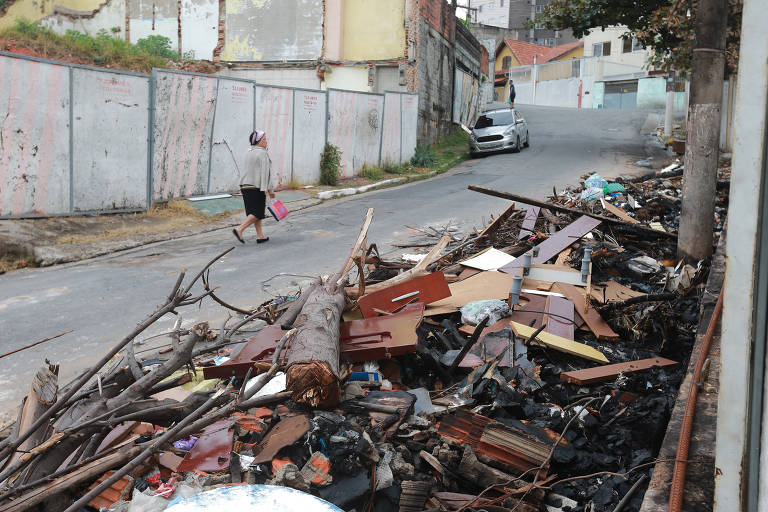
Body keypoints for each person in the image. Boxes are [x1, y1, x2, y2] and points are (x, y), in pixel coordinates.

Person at [233, 130, 276, 244]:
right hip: (255, 186)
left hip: (245, 186)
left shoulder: (248, 151)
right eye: (264, 140)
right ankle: (239, 229)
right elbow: (266, 173)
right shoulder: (262, 153)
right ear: (258, 141)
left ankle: (260, 236)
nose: (266, 141)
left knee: (254, 212)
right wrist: (270, 189)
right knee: (257, 213)